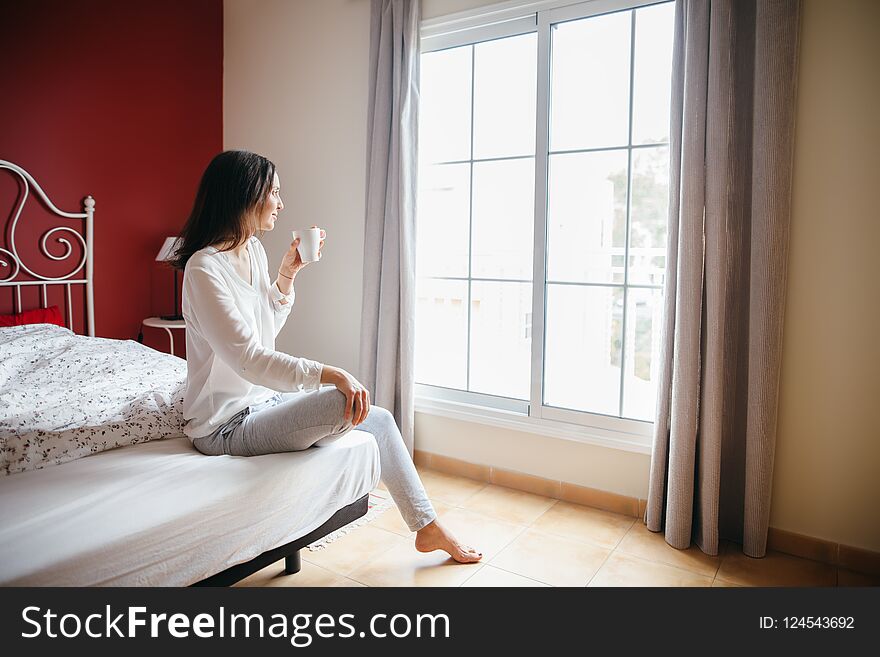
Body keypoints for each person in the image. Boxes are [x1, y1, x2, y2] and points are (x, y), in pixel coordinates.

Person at [170, 150, 481, 564]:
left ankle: (427, 528)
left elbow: (266, 329)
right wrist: (329, 373)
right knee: (342, 400)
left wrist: (288, 274)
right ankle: (423, 523)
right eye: (274, 193)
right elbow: (250, 358)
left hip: (262, 402)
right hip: (223, 426)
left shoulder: (253, 252)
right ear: (245, 195)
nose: (281, 204)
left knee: (379, 417)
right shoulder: (204, 268)